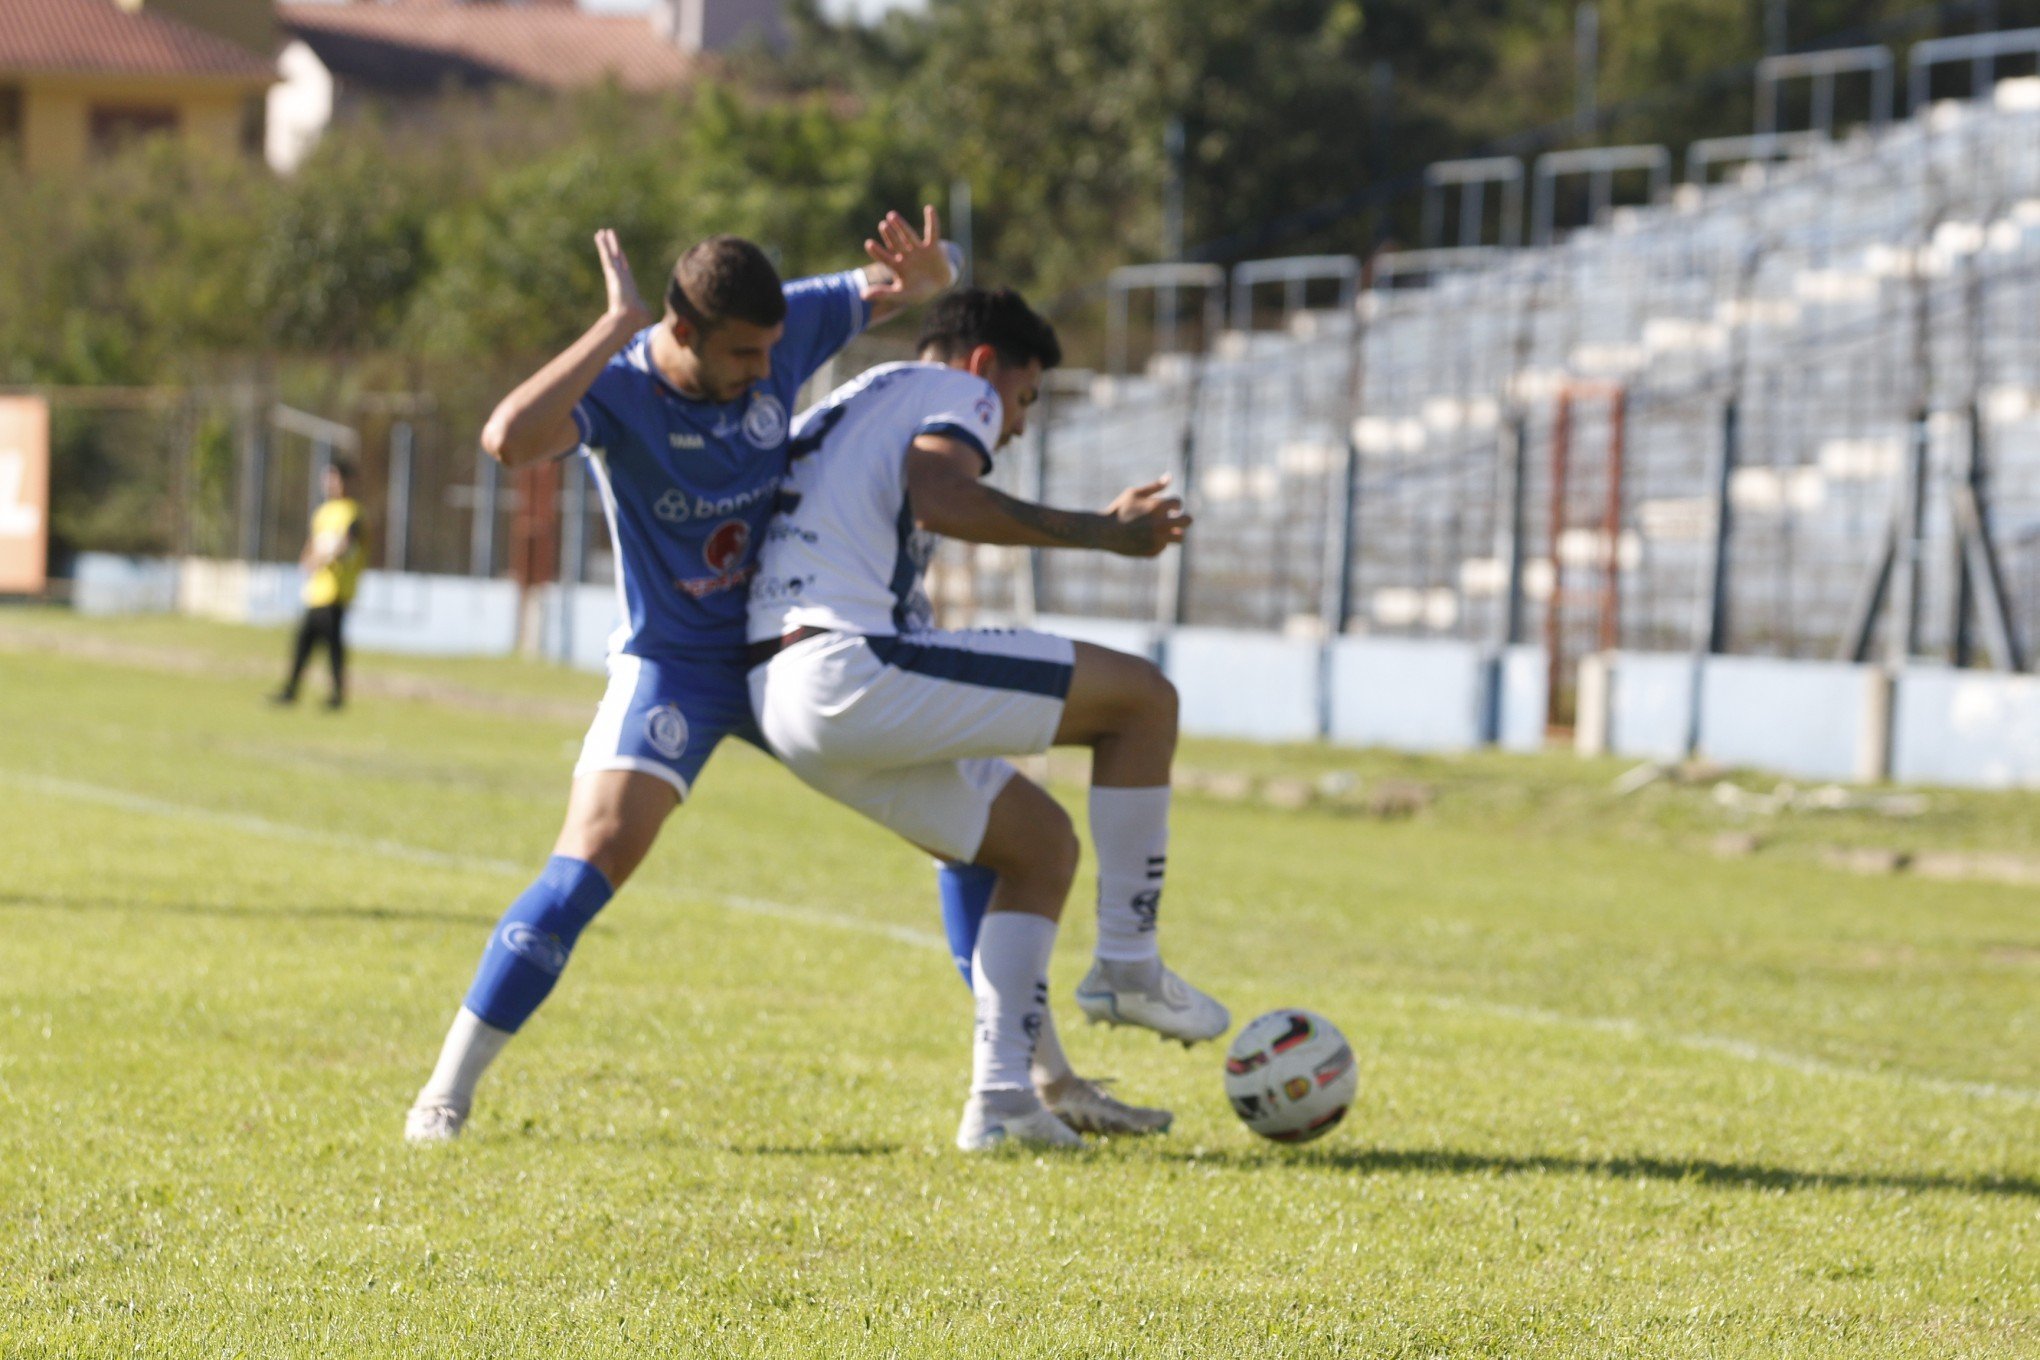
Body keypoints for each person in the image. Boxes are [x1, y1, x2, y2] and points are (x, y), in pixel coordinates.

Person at [404, 213, 961, 1144]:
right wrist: (613, 324)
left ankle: (1019, 1080)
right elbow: (507, 439)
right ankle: (445, 1094)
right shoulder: (618, 392)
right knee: (594, 857)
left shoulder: (785, 326)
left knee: (968, 815)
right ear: (682, 330)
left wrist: (936, 274)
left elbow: (915, 286)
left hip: (799, 647)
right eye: (743, 355)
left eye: (772, 350)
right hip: (682, 665)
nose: (766, 372)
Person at [746, 288, 1230, 1151]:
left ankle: (1005, 1099)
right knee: (1142, 702)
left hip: (783, 697)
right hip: (850, 663)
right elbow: (942, 496)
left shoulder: (851, 398)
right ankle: (1128, 962)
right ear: (983, 366)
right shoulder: (955, 393)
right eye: (1025, 398)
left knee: (1036, 846)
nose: (1013, 428)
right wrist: (1106, 533)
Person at [272, 459, 366, 710]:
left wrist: (322, 559)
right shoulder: (322, 513)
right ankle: (291, 690)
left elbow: (344, 546)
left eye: (333, 477)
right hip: (316, 591)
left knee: (333, 646)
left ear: (345, 481)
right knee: (304, 642)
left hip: (337, 591)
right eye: (327, 477)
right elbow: (311, 548)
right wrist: (308, 561)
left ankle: (335, 695)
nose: (329, 483)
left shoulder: (352, 512)